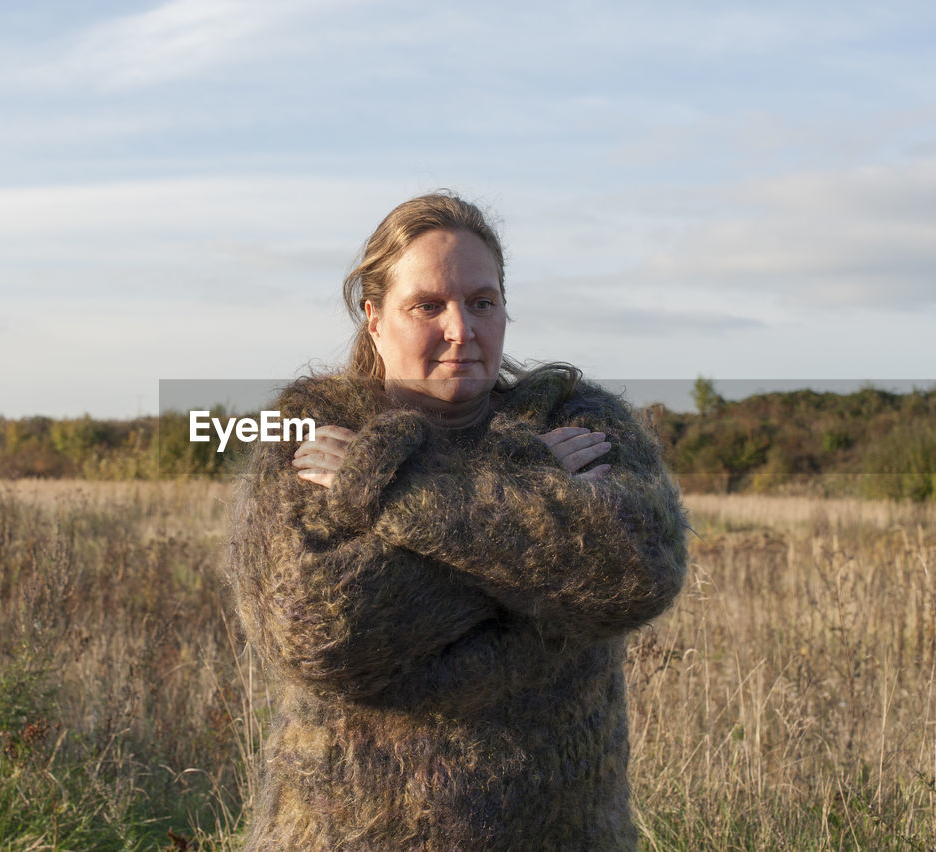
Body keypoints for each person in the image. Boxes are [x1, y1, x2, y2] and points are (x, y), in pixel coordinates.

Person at [228, 192, 687, 850]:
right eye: (428, 305)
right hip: (344, 833)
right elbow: (321, 634)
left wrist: (393, 492)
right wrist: (530, 536)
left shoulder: (573, 416)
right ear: (375, 316)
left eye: (483, 302)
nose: (463, 331)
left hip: (555, 831)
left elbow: (639, 570)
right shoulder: (314, 426)